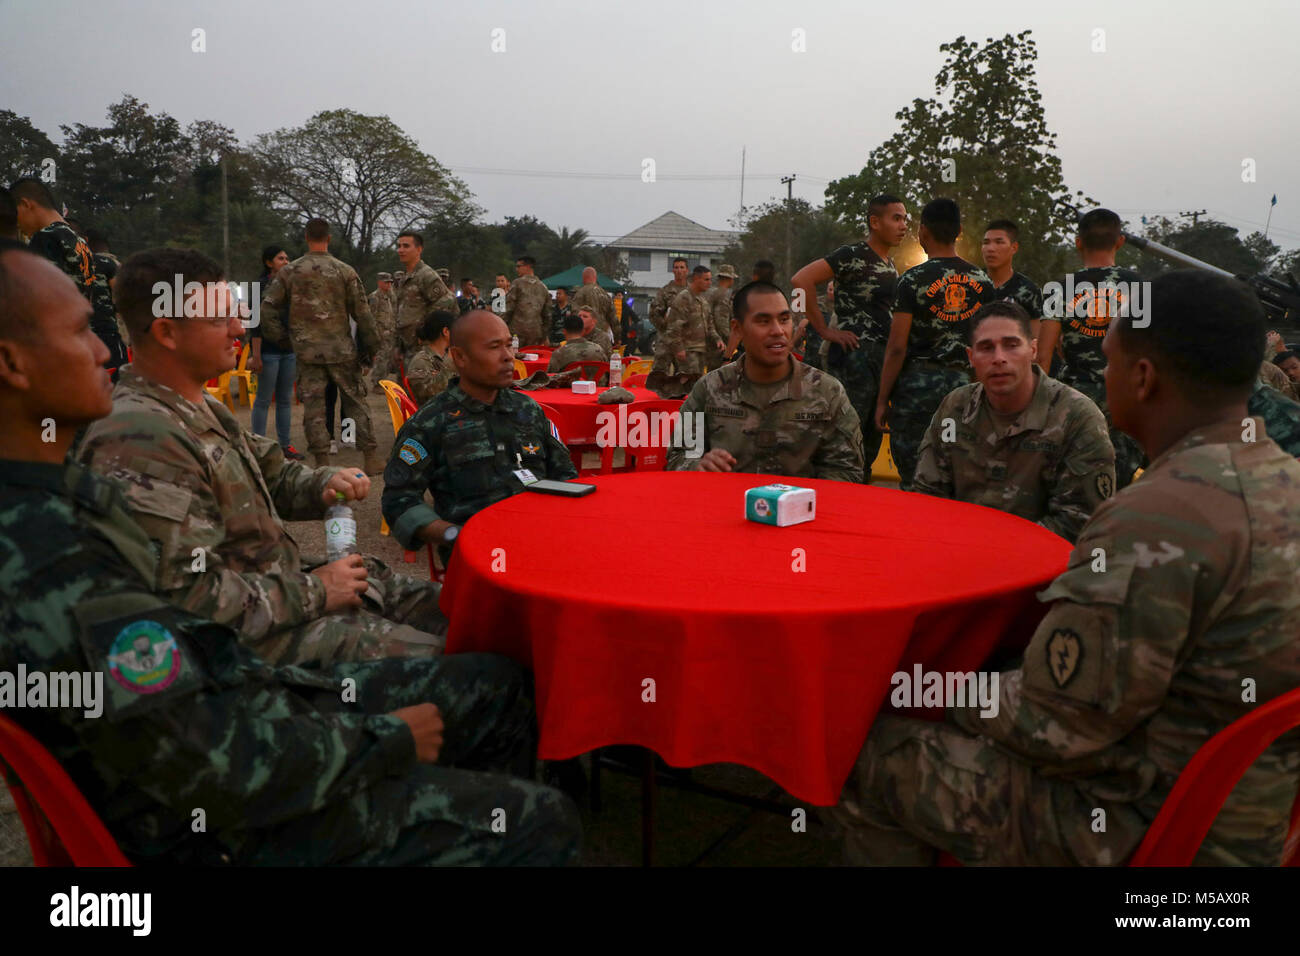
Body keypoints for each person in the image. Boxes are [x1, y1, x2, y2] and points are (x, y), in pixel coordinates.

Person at [0, 240, 580, 866]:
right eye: (83, 331)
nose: (101, 350)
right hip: (235, 772)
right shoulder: (120, 458)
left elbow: (270, 474)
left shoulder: (189, 414)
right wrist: (381, 737)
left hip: (254, 676)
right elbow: (201, 732)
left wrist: (324, 485)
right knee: (504, 730)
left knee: (476, 629)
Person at [827, 269, 1300, 867]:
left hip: (1147, 831)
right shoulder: (1281, 479)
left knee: (861, 751)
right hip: (1251, 814)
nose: (1102, 377)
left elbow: (1054, 723)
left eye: (1109, 361)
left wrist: (923, 687)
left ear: (1144, 377)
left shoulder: (1158, 518)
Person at [79, 247, 446, 667]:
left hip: (285, 594)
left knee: (466, 611)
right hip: (258, 645)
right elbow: (185, 602)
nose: (239, 328)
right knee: (467, 669)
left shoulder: (197, 405)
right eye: (220, 319)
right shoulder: (139, 438)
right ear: (166, 332)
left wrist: (323, 483)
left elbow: (271, 472)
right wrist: (319, 590)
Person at [382, 310, 577, 564]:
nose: (508, 357)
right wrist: (453, 534)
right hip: (478, 558)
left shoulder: (528, 410)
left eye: (509, 345)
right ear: (460, 357)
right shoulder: (431, 422)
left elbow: (566, 476)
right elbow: (398, 500)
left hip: (539, 544)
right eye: (494, 347)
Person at [912, 301, 1115, 543]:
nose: (999, 358)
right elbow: (927, 497)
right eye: (986, 348)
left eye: (1011, 345)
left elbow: (1080, 523)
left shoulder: (1077, 417)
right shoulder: (955, 408)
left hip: (1044, 567)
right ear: (971, 357)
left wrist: (995, 548)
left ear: (1033, 350)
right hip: (958, 551)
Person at [666, 281, 864, 482]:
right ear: (738, 328)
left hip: (802, 510)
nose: (778, 331)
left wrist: (801, 500)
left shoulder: (827, 392)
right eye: (763, 321)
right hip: (725, 507)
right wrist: (696, 465)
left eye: (784, 319)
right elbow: (678, 455)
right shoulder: (709, 389)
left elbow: (847, 470)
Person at [876, 198, 995, 489]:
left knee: (916, 477)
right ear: (959, 232)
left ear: (923, 232)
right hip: (967, 390)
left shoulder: (912, 280)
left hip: (917, 390)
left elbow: (897, 347)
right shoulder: (983, 282)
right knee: (961, 475)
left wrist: (882, 399)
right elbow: (989, 342)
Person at [793, 194, 907, 480]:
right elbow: (801, 280)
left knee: (870, 438)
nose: (903, 225)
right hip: (854, 360)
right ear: (874, 222)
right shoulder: (852, 254)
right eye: (896, 218)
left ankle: (860, 495)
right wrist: (825, 330)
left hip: (878, 360)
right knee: (846, 435)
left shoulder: (889, 263)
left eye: (905, 219)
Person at [1037, 208, 1146, 489]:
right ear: (1120, 241)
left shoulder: (1058, 289)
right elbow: (1149, 348)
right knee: (1119, 482)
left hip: (1076, 399)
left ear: (1078, 242)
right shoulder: (1140, 287)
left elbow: (1044, 355)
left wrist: (1037, 409)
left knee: (1076, 480)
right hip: (1126, 398)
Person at [259, 219, 381, 471]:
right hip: (342, 351)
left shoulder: (289, 271)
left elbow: (267, 308)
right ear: (329, 238)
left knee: (314, 408)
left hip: (307, 352)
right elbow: (363, 313)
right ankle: (369, 457)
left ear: (306, 237)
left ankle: (322, 460)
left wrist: (284, 339)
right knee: (356, 402)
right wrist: (371, 346)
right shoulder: (345, 271)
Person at [9, 177, 127, 371]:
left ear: (25, 205)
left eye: (16, 216)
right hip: (86, 340)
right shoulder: (78, 240)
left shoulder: (45, 239)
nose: (18, 225)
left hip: (60, 347)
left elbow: (41, 302)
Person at [247, 245, 304, 459]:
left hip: (289, 351)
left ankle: (285, 445)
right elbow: (255, 324)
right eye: (281, 258)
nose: (286, 262)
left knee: (284, 399)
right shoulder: (258, 287)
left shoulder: (292, 287)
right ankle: (258, 445)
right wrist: (257, 355)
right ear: (269, 262)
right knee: (263, 399)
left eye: (288, 258)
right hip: (267, 353)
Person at [393, 231, 456, 366]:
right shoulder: (406, 277)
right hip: (408, 346)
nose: (400, 250)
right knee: (406, 385)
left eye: (406, 246)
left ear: (419, 249)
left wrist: (425, 328)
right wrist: (399, 345)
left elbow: (447, 300)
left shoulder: (426, 275)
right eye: (399, 246)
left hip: (422, 348)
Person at [981, 219, 1044, 341]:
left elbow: (1035, 342)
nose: (990, 248)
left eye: (999, 242)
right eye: (986, 243)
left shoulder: (1028, 291)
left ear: (1014, 248)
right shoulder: (970, 284)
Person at [664, 265, 723, 377]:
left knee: (697, 384)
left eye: (710, 279)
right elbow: (674, 327)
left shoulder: (703, 300)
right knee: (689, 385)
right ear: (696, 279)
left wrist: (717, 338)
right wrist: (679, 348)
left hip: (702, 350)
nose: (709, 283)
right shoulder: (683, 298)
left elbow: (710, 324)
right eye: (706, 279)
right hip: (688, 351)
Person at [648, 258, 690, 376]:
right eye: (676, 267)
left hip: (685, 340)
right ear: (672, 270)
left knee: (685, 375)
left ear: (687, 270)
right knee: (659, 373)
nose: (679, 270)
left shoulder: (692, 291)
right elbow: (653, 314)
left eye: (682, 267)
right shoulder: (665, 291)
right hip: (666, 339)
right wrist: (664, 323)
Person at [406, 310, 456, 406]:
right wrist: (450, 363)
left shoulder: (444, 356)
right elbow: (426, 392)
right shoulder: (421, 361)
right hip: (433, 416)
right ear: (445, 331)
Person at [503, 255, 553, 347]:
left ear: (528, 266)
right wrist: (543, 334)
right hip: (536, 333)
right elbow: (548, 315)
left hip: (516, 332)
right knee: (532, 359)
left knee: (515, 358)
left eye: (518, 266)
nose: (516, 269)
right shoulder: (543, 287)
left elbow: (508, 308)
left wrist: (501, 326)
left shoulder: (517, 283)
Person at [568, 266, 617, 348]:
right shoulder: (605, 294)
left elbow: (575, 316)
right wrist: (617, 337)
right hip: (603, 337)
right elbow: (613, 319)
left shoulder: (580, 293)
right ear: (595, 277)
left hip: (586, 337)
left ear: (584, 277)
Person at [702, 263, 739, 368]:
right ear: (730, 279)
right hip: (718, 344)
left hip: (708, 339)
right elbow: (721, 322)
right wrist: (731, 341)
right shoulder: (724, 295)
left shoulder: (710, 292)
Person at [367, 271, 397, 387]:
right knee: (381, 359)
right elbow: (372, 317)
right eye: (386, 283)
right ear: (379, 283)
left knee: (388, 359)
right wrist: (375, 334)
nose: (389, 285)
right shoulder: (375, 297)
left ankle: (382, 381)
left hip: (390, 333)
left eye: (390, 283)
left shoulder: (390, 296)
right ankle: (377, 383)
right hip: (380, 333)